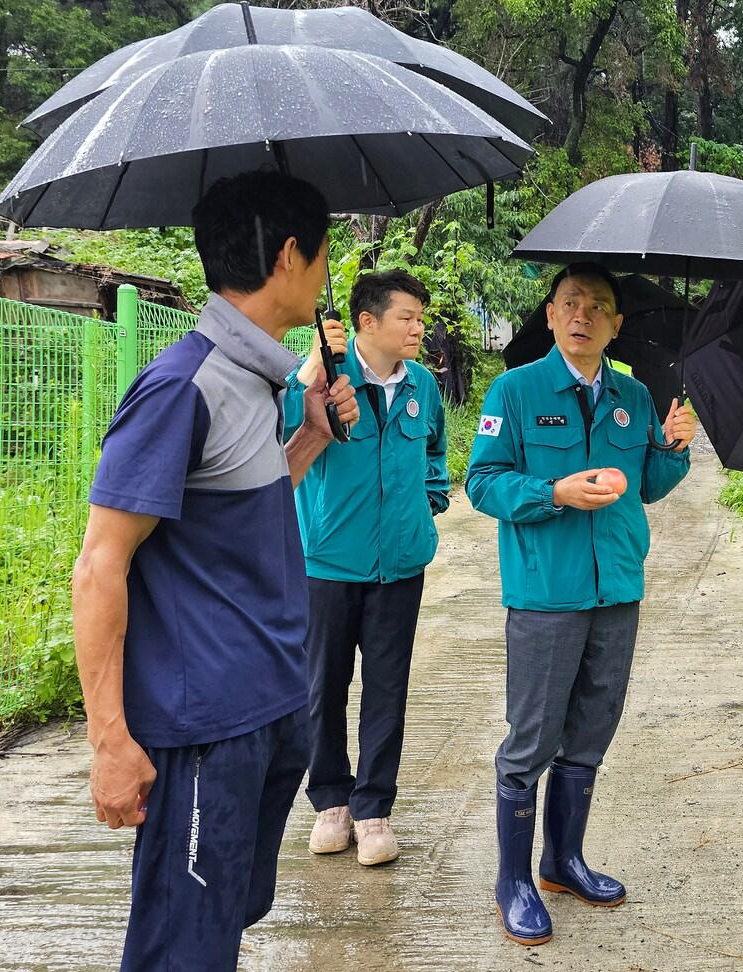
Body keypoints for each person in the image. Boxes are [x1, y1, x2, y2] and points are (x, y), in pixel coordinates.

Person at [70, 170, 359, 971]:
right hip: (204, 730)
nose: (329, 275)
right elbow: (99, 566)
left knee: (226, 919)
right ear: (290, 255)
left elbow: (245, 510)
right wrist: (109, 742)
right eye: (326, 256)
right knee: (183, 947)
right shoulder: (180, 387)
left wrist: (310, 437)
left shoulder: (252, 379)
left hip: (267, 709)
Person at [466, 262, 696, 946]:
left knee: (591, 733)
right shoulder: (515, 390)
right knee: (531, 740)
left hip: (617, 589)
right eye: (571, 302)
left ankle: (562, 861)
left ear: (616, 324)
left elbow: (648, 484)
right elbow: (481, 482)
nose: (583, 315)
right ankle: (513, 881)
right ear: (551, 311)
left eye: (598, 306)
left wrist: (675, 450)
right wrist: (553, 493)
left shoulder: (635, 394)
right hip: (545, 595)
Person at [285, 270, 449, 867]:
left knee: (388, 687)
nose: (417, 328)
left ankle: (374, 807)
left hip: (401, 564)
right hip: (328, 562)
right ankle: (330, 800)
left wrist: (428, 502)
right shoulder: (319, 377)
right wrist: (312, 377)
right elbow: (280, 440)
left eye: (420, 318)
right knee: (323, 685)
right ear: (367, 322)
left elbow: (434, 450)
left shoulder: (423, 386)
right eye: (407, 316)